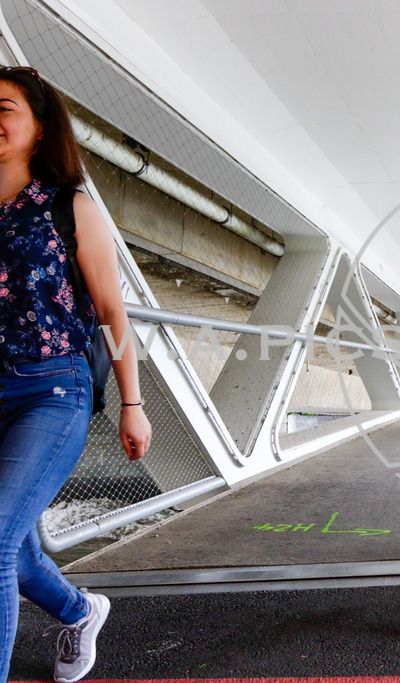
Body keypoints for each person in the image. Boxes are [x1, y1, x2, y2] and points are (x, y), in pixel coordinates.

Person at [0, 66, 151, 683]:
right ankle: (80, 611)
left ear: (38, 127)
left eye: (3, 108)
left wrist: (131, 402)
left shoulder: (71, 206)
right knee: (17, 544)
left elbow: (113, 312)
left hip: (51, 389)